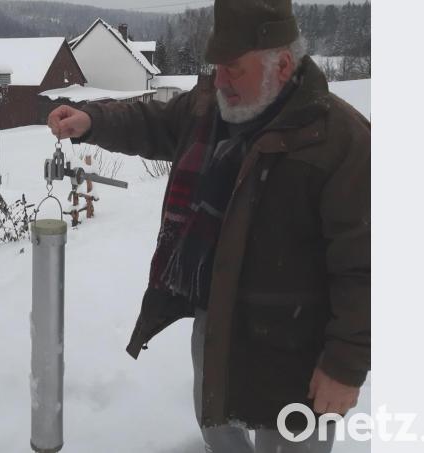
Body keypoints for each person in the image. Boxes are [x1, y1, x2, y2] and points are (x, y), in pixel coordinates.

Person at [47, 0, 370, 451]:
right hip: (217, 323)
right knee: (219, 431)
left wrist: (345, 365)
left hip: (298, 348)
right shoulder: (210, 110)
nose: (219, 80)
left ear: (281, 64)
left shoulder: (342, 140)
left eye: (232, 68)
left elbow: (364, 267)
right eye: (215, 66)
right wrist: (92, 120)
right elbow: (153, 121)